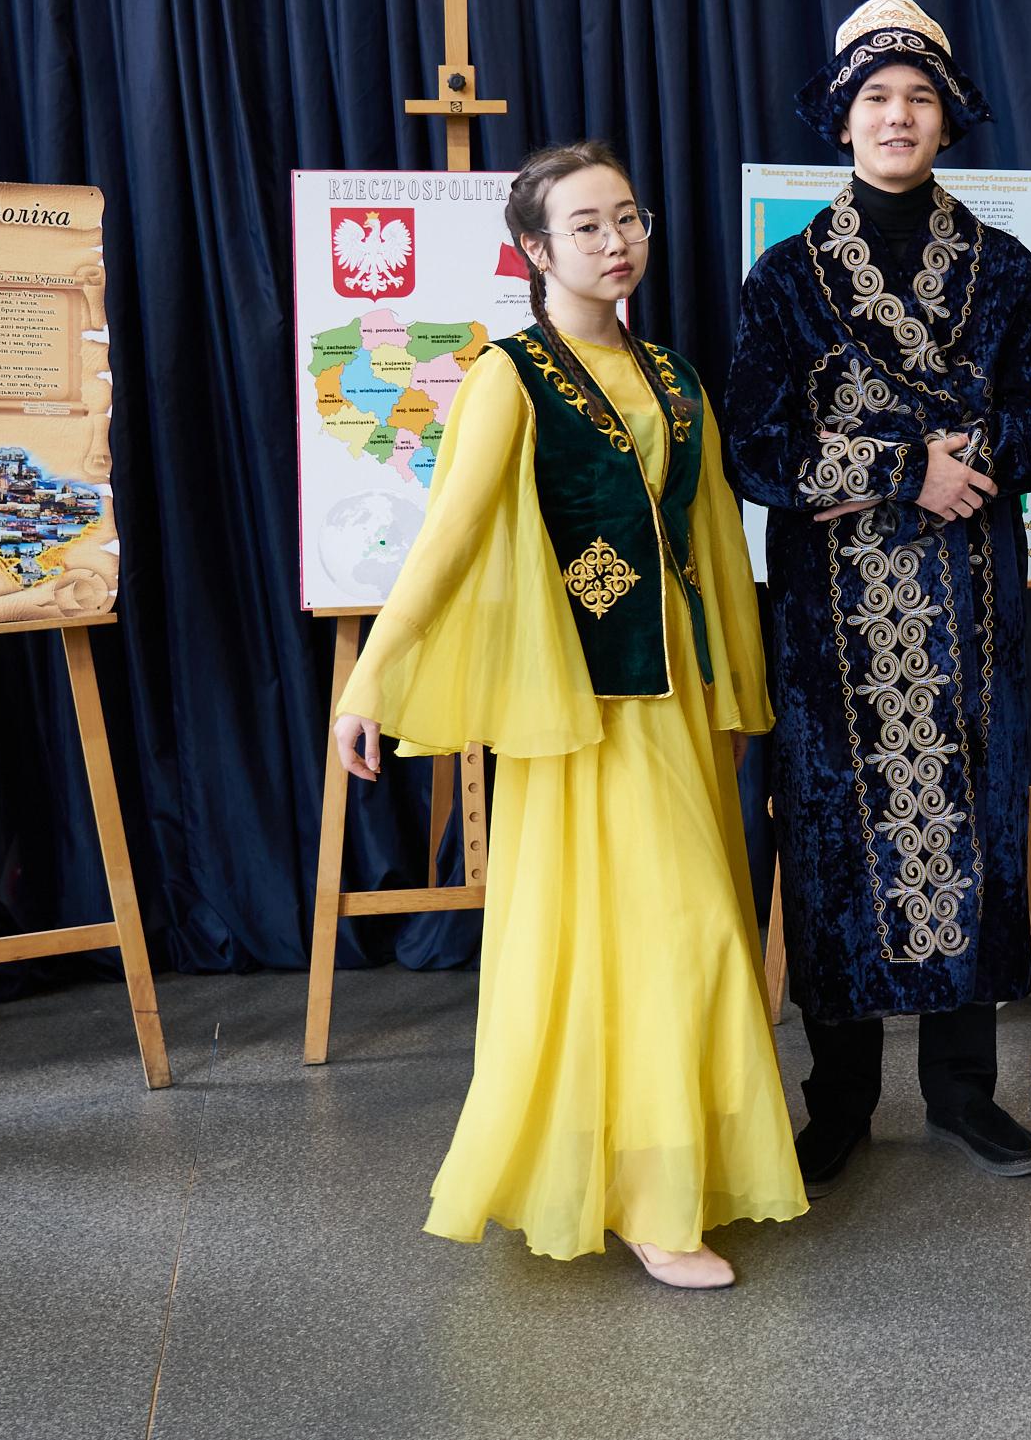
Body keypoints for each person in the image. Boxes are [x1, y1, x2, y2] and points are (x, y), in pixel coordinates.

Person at [331, 142, 802, 1289]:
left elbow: (710, 541)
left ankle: (661, 1170)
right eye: (586, 225)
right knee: (659, 932)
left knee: (678, 934)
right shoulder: (513, 374)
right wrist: (370, 677)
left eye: (628, 217)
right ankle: (647, 1198)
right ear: (536, 250)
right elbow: (448, 537)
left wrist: (736, 683)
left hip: (676, 697)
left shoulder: (675, 376)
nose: (616, 240)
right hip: (585, 704)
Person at [722, 0, 1031, 1194]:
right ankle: (841, 1101)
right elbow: (756, 446)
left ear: (946, 117)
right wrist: (898, 468)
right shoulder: (786, 278)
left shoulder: (1003, 267)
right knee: (832, 839)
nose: (897, 116)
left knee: (970, 828)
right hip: (829, 623)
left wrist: (956, 463)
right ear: (842, 117)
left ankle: (966, 1093)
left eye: (918, 96)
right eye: (876, 97)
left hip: (969, 605)